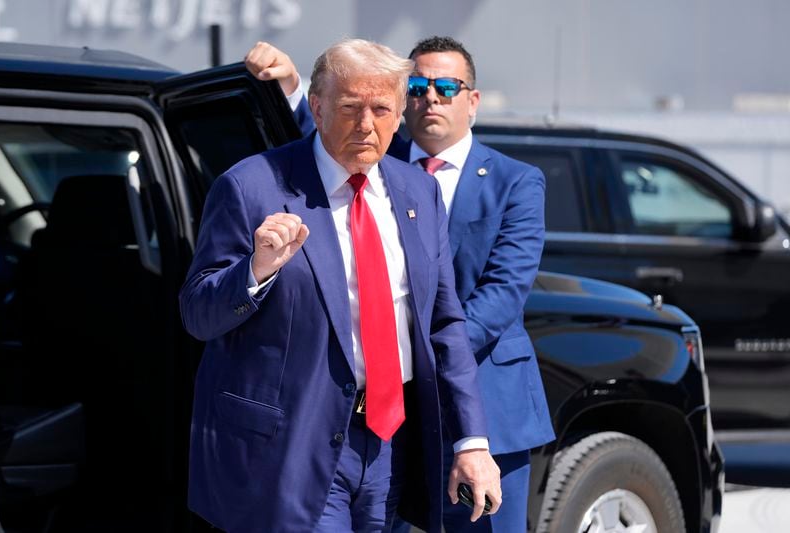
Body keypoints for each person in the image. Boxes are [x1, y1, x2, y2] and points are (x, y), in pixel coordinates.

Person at [180, 38, 501, 533]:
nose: (366, 124)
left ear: (400, 114)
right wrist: (256, 270)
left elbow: (444, 322)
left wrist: (472, 442)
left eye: (381, 108)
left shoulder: (418, 191)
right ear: (317, 106)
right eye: (351, 107)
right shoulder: (252, 186)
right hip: (290, 444)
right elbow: (198, 313)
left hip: (388, 444)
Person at [246, 35, 554, 532]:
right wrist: (290, 86)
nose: (430, 96)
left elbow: (501, 294)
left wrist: (419, 355)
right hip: (387, 415)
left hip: (484, 405)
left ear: (472, 100)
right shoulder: (371, 161)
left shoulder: (516, 181)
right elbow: (322, 142)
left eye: (447, 86)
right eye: (417, 84)